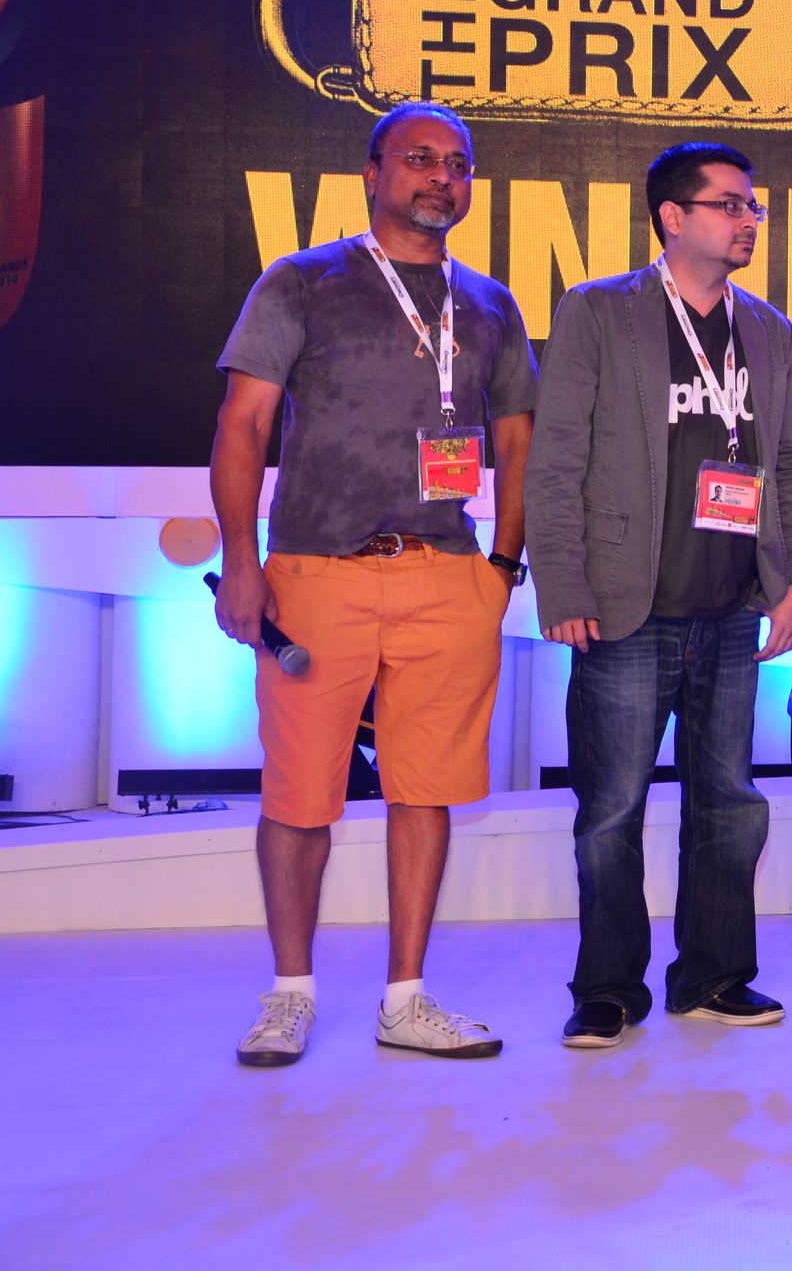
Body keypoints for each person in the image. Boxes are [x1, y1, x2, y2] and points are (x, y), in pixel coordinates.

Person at [211, 100, 536, 1066]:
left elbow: (519, 441)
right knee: (299, 796)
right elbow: (242, 425)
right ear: (373, 172)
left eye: (458, 163)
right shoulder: (302, 281)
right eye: (421, 158)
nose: (442, 177)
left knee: (425, 791)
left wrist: (502, 566)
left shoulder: (491, 304)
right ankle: (289, 996)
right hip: (318, 574)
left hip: (448, 574)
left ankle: (406, 1000)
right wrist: (242, 560)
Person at [528, 142, 792, 1048]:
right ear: (673, 218)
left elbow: (791, 467)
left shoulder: (768, 329)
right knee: (611, 811)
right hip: (625, 607)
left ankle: (713, 977)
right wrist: (562, 584)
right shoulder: (598, 311)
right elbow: (555, 459)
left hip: (731, 610)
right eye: (730, 205)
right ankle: (608, 990)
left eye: (752, 206)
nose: (749, 220)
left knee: (727, 803)